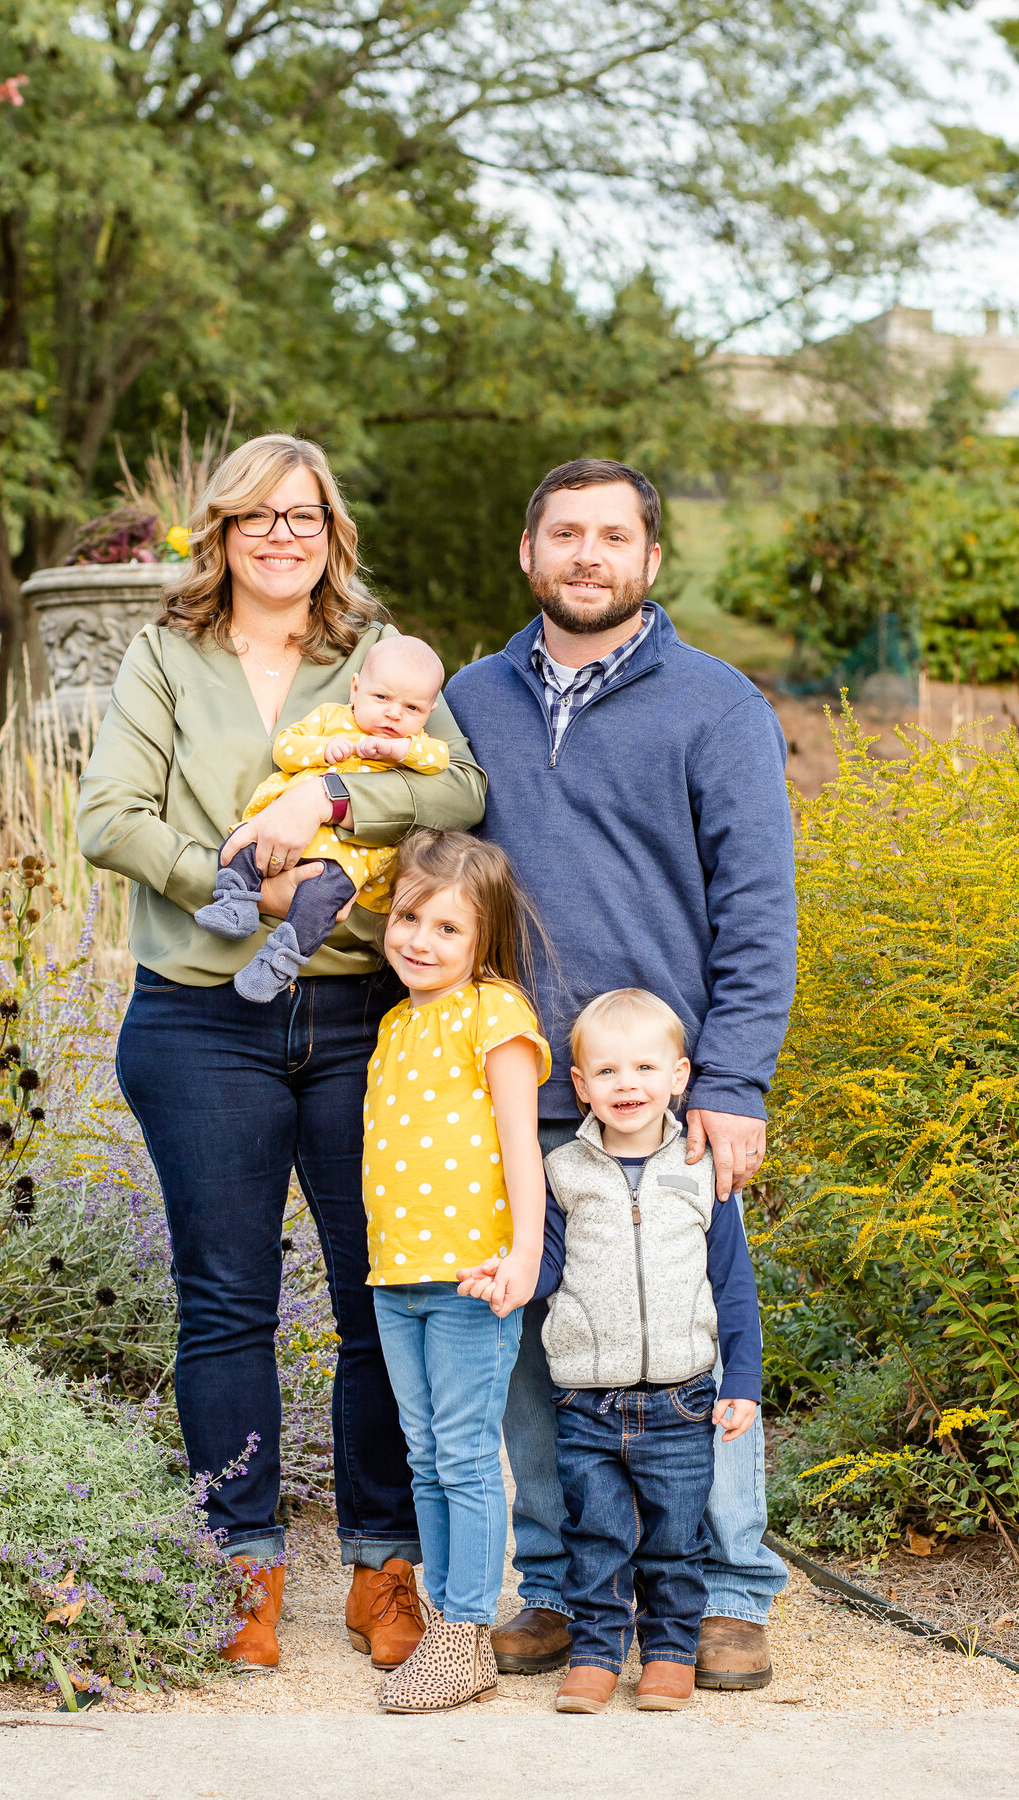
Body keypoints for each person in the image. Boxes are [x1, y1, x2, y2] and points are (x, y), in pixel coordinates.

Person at [77, 433, 487, 1672]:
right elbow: (107, 815)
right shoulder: (163, 656)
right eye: (255, 517)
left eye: (301, 516)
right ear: (220, 532)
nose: (280, 536)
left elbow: (459, 790)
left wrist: (336, 802)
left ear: (331, 530)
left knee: (385, 1296)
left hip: (366, 1015)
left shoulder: (382, 658)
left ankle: (384, 1567)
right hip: (204, 1015)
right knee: (224, 1305)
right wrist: (228, 886)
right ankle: (241, 1568)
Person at [445, 458, 796, 1691]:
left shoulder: (716, 704)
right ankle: (555, 1586)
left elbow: (757, 908)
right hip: (515, 1084)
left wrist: (734, 1079)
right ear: (529, 555)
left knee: (695, 1334)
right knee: (544, 1349)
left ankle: (727, 1592)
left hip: (661, 1092)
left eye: (614, 536)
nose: (587, 554)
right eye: (565, 534)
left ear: (650, 561)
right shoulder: (469, 701)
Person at [463, 988, 762, 1714]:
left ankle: (666, 1655)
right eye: (606, 1072)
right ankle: (596, 1654)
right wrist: (507, 1277)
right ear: (578, 1085)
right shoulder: (564, 1172)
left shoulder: (700, 1170)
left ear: (680, 1076)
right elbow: (550, 1270)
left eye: (644, 1068)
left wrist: (743, 1381)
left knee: (675, 1540)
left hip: (681, 1396)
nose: (626, 1085)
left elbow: (734, 1287)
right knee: (594, 1535)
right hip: (587, 1401)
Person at [365, 830, 551, 1714]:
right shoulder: (396, 1023)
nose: (421, 940)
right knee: (427, 1454)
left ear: (483, 942)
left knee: (469, 1455)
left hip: (475, 1274)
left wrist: (525, 1253)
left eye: (448, 928)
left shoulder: (496, 1011)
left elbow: (522, 1145)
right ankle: (444, 1617)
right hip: (397, 1277)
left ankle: (467, 1633)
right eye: (409, 917)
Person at [195, 634, 449, 1002]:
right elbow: (285, 748)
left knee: (322, 899)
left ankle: (279, 962)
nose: (394, 714)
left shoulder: (414, 747)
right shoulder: (330, 718)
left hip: (346, 856)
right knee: (240, 848)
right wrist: (322, 749)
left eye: (412, 708)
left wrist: (401, 749)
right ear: (356, 688)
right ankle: (235, 902)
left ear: (429, 712)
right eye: (382, 698)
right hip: (278, 828)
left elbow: (439, 758)